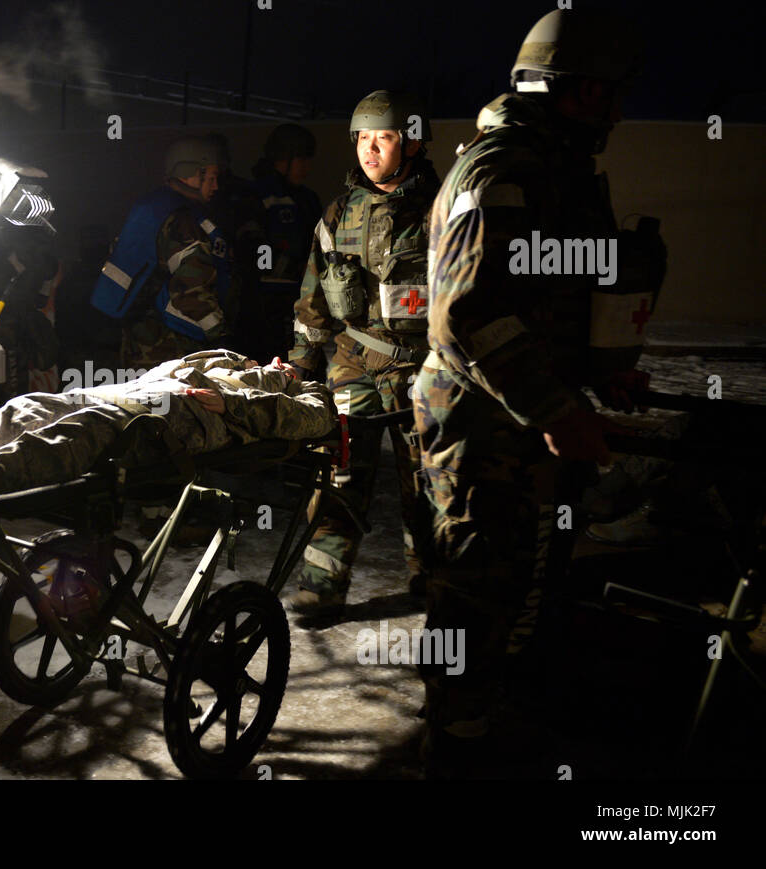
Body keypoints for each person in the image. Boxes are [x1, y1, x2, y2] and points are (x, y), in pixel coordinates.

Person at [412, 8, 663, 776]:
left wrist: (594, 371)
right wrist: (554, 408)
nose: (619, 112)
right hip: (483, 426)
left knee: (525, 577)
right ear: (580, 89)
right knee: (478, 585)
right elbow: (468, 313)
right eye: (612, 94)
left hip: (528, 419)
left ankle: (493, 711)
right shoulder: (504, 170)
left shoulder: (560, 168)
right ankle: (456, 744)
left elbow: (550, 296)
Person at [286, 91, 440, 620]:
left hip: (423, 367)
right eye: (364, 138)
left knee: (425, 480)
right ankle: (322, 583)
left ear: (411, 143)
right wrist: (301, 359)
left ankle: (433, 576)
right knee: (340, 470)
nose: (371, 150)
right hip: (354, 361)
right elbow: (313, 292)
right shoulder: (339, 212)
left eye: (386, 137)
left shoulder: (442, 210)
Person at [0, 351, 336, 502]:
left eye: (292, 367)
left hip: (186, 417)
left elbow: (314, 420)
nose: (283, 364)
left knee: (87, 430)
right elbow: (170, 367)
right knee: (29, 406)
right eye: (280, 360)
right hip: (137, 392)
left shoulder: (309, 392)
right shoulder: (232, 361)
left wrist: (231, 401)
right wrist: (231, 364)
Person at [91, 137, 233, 371]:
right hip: (170, 347)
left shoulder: (154, 208)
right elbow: (191, 291)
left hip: (139, 340)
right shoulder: (184, 221)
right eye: (211, 177)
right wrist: (221, 336)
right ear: (190, 173)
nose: (216, 186)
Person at [238, 123, 321, 364]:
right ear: (283, 160)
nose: (307, 168)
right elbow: (253, 250)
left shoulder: (307, 199)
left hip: (302, 301)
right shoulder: (256, 196)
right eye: (302, 160)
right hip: (264, 304)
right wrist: (295, 269)